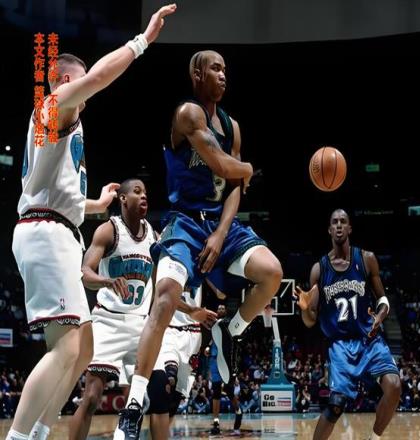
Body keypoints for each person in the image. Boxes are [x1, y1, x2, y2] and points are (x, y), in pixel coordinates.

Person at [8, 6, 177, 440]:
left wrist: (97, 204)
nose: (88, 88)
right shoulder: (54, 104)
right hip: (46, 234)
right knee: (67, 346)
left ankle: (39, 432)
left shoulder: (62, 124)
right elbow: (101, 76)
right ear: (66, 81)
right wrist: (142, 41)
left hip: (56, 228)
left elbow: (55, 196)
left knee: (82, 349)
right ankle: (19, 436)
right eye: (80, 80)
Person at [115, 50, 282, 439]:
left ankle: (232, 329)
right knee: (165, 296)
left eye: (226, 70)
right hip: (185, 222)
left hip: (221, 224)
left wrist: (221, 233)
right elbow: (225, 168)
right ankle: (134, 403)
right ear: (197, 73)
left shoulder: (232, 126)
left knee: (272, 273)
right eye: (216, 68)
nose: (223, 75)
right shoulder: (187, 114)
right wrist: (247, 169)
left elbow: (235, 190)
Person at [294, 209, 401, 440]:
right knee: (336, 405)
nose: (339, 225)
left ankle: (374, 438)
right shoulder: (319, 269)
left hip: (369, 339)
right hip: (341, 345)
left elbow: (383, 299)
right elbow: (310, 321)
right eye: (335, 222)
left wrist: (380, 316)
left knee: (393, 385)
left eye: (343, 221)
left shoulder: (366, 259)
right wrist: (304, 308)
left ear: (350, 228)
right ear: (329, 230)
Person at [68, 178, 157, 440]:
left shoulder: (154, 236)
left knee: (146, 400)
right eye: (137, 192)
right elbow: (84, 272)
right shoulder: (109, 230)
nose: (144, 196)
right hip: (108, 321)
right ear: (123, 199)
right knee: (92, 397)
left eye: (145, 192)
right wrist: (107, 281)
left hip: (141, 324)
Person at [146, 284, 217, 440]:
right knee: (166, 382)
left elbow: (221, 293)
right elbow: (161, 294)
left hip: (192, 334)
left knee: (175, 399)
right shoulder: (165, 268)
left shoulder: (204, 271)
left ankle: (160, 435)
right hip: (168, 327)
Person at [205, 304, 243, 435]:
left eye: (222, 308)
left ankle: (239, 411)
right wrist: (208, 346)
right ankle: (216, 423)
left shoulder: (228, 323)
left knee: (228, 390)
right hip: (214, 359)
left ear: (225, 311)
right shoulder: (214, 325)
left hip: (226, 360)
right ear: (217, 311)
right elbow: (213, 339)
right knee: (216, 391)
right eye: (219, 308)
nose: (220, 310)